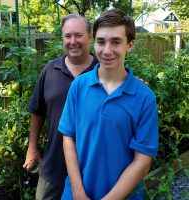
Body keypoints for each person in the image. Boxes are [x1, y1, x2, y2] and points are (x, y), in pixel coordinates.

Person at [58, 9, 159, 200]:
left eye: (116, 42)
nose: (107, 50)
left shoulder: (144, 97)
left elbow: (143, 160)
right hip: (76, 194)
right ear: (93, 41)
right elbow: (68, 138)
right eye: (101, 41)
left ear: (129, 45)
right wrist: (78, 192)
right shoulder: (79, 86)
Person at [23, 14, 99, 200]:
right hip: (54, 165)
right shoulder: (50, 70)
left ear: (90, 36)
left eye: (79, 35)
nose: (73, 41)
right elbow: (37, 111)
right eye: (68, 36)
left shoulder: (103, 71)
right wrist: (32, 147)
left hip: (92, 167)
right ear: (62, 38)